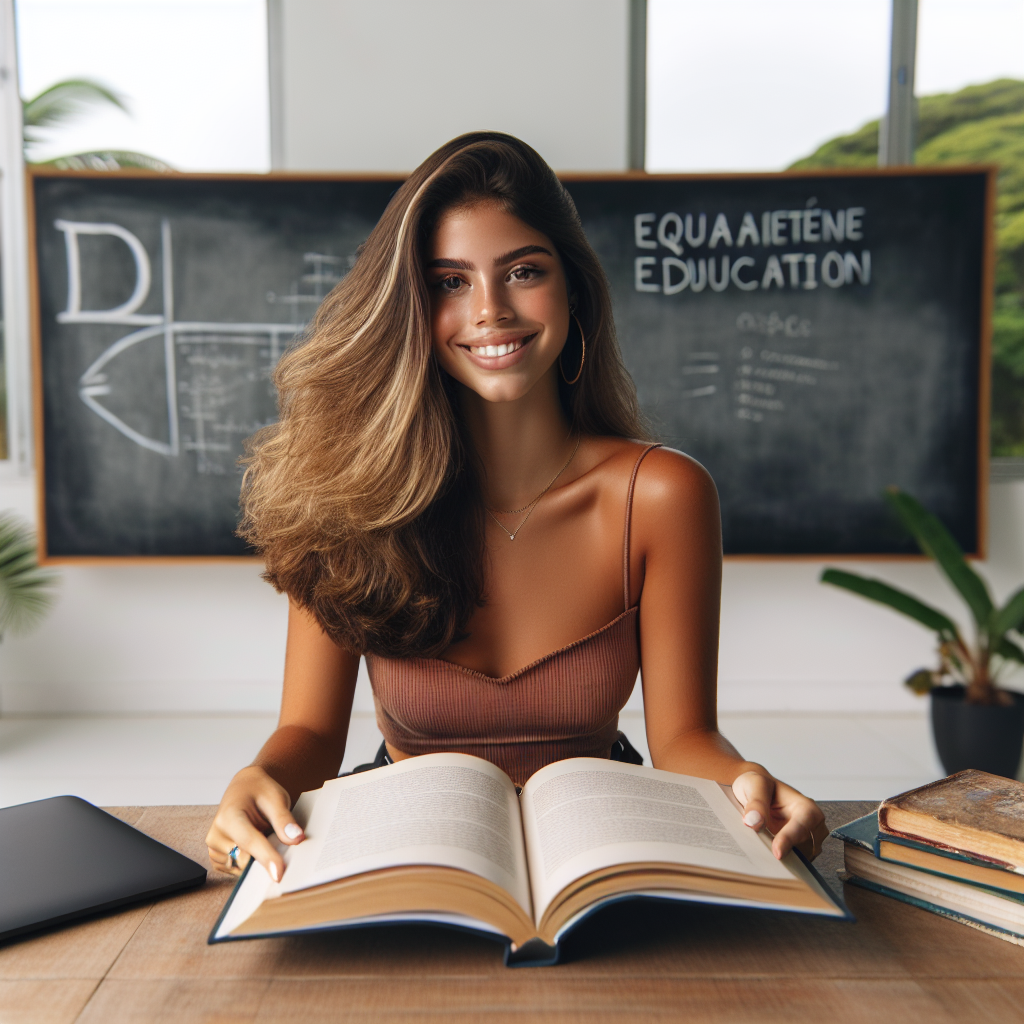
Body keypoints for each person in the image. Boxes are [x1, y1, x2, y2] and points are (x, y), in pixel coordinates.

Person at [207, 132, 828, 883]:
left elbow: (686, 738)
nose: (491, 311)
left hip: (604, 830)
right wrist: (259, 774)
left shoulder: (662, 494)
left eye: (523, 272)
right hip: (409, 831)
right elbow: (308, 730)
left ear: (573, 288)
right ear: (409, 305)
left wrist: (747, 786)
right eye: (449, 282)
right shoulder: (345, 493)